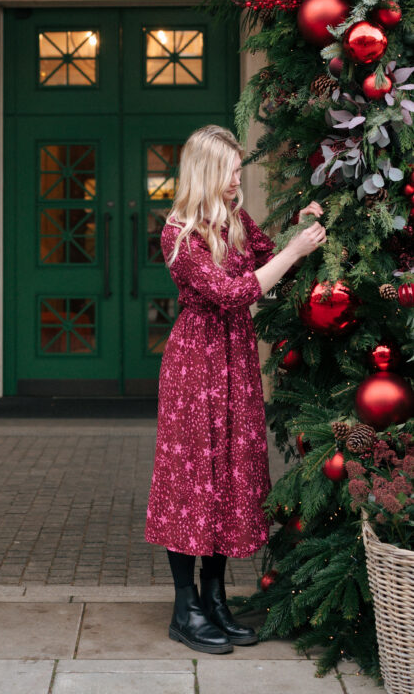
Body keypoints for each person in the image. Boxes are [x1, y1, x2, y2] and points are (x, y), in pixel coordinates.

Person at [145, 124, 326, 655]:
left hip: (236, 359)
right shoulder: (178, 232)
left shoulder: (235, 220)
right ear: (205, 171)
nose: (236, 178)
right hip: (195, 363)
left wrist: (301, 227)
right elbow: (233, 292)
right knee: (192, 479)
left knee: (228, 474)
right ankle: (185, 609)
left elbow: (270, 254)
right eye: (229, 170)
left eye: (238, 169)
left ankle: (215, 599)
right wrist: (292, 252)